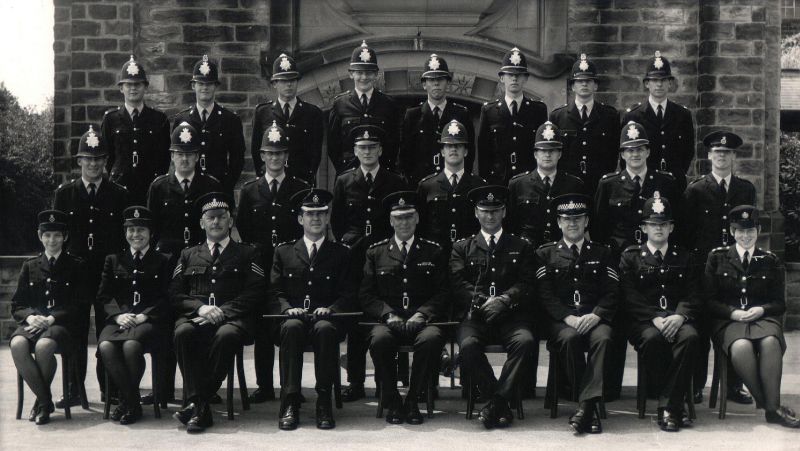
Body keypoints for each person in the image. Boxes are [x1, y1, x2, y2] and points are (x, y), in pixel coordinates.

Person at [170, 192, 266, 434]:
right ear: (202, 223)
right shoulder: (188, 254)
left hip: (233, 320)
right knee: (182, 331)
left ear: (230, 221)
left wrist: (222, 311)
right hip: (197, 317)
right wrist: (200, 308)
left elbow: (255, 292)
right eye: (210, 218)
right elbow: (175, 293)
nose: (216, 222)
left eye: (221, 217)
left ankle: (196, 402)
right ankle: (200, 404)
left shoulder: (248, 253)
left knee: (226, 336)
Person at [704, 205, 799, 429]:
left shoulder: (770, 260)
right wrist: (732, 312)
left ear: (758, 231)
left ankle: (772, 407)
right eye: (740, 231)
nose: (745, 236)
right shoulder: (717, 257)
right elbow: (708, 301)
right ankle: (771, 408)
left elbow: (780, 303)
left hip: (762, 319)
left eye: (750, 231)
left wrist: (762, 310)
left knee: (771, 342)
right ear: (732, 231)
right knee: (741, 348)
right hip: (729, 321)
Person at [146, 121, 221, 405]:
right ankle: (162, 389)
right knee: (165, 325)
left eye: (190, 153)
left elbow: (217, 224)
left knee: (198, 324)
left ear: (198, 155)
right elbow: (151, 228)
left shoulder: (210, 184)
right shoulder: (159, 186)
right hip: (168, 262)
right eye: (179, 153)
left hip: (201, 261)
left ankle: (203, 387)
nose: (185, 158)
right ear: (172, 156)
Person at [53, 125, 129, 407]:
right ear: (79, 161)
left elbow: (124, 237)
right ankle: (74, 389)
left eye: (98, 159)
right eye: (88, 158)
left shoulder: (118, 194)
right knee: (75, 329)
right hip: (76, 274)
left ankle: (110, 388)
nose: (94, 164)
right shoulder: (65, 194)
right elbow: (58, 236)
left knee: (109, 329)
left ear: (105, 161)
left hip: (107, 274)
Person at [450, 185, 537, 429]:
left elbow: (527, 282)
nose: (490, 216)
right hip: (475, 318)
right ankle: (499, 400)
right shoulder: (462, 247)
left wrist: (505, 300)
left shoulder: (521, 246)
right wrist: (482, 302)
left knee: (526, 341)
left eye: (496, 210)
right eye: (485, 211)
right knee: (467, 346)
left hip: (511, 316)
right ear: (476, 213)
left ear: (504, 212)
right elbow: (458, 283)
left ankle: (496, 402)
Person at [269, 188, 356, 430]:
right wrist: (287, 309)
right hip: (293, 320)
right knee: (292, 327)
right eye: (309, 214)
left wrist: (331, 308)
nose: (315, 219)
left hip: (326, 320)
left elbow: (348, 293)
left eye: (321, 214)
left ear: (328, 218)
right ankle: (290, 401)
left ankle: (323, 401)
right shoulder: (284, 251)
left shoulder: (341, 253)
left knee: (325, 329)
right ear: (300, 219)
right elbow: (275, 292)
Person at [331, 124, 407, 401]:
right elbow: (337, 221)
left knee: (393, 311)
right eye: (362, 148)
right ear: (355, 151)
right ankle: (356, 381)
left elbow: (399, 220)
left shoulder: (394, 180)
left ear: (380, 150)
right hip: (354, 257)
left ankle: (399, 378)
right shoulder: (344, 180)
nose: (367, 152)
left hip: (385, 257)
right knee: (355, 321)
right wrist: (349, 245)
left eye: (372, 147)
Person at [361, 191, 449, 425]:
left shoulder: (434, 251)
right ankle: (393, 400)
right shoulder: (376, 252)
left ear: (417, 218)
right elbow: (366, 295)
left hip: (423, 322)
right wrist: (388, 314)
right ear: (391, 221)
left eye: (409, 217)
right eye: (399, 218)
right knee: (379, 341)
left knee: (431, 340)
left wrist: (423, 314)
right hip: (389, 322)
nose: (404, 223)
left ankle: (412, 400)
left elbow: (443, 292)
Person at [682, 131, 756, 405]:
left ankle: (734, 386)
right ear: (709, 156)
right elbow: (687, 235)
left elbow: (749, 231)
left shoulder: (745, 189)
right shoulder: (696, 189)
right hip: (705, 271)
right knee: (699, 329)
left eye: (727, 153)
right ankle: (696, 384)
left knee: (734, 325)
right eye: (717, 152)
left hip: (736, 271)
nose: (722, 157)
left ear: (734, 157)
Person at [535, 193, 619, 434]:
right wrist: (567, 317)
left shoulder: (602, 253)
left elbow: (613, 291)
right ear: (559, 223)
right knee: (570, 339)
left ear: (586, 222)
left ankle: (585, 408)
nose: (572, 223)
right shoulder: (546, 254)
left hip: (594, 318)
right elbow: (545, 295)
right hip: (563, 321)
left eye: (578, 218)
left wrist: (597, 314)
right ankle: (589, 407)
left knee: (603, 338)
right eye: (566, 219)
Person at [237, 121, 309, 403]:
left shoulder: (299, 187)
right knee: (264, 326)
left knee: (291, 326)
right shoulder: (250, 190)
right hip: (261, 266)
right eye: (270, 153)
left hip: (292, 267)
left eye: (280, 153)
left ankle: (292, 386)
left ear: (286, 156)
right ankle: (265, 385)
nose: (275, 158)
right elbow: (243, 225)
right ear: (262, 156)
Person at [619, 194, 700, 431]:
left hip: (677, 318)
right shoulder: (631, 256)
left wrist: (680, 315)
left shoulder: (685, 257)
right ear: (644, 227)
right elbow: (628, 294)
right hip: (645, 322)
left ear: (671, 227)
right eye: (653, 224)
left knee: (690, 337)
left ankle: (668, 407)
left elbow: (694, 292)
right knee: (653, 340)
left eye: (663, 224)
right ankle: (674, 407)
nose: (659, 229)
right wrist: (653, 317)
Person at [9, 210, 86, 425]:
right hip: (34, 323)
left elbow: (78, 304)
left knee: (43, 347)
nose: (52, 240)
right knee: (17, 344)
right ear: (39, 236)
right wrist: (32, 317)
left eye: (57, 235)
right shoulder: (30, 266)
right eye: (47, 235)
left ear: (65, 237)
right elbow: (17, 304)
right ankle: (45, 401)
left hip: (61, 326)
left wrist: (51, 318)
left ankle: (41, 404)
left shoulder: (76, 265)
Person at [96, 206, 171, 425]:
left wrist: (144, 316)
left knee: (131, 345)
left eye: (141, 230)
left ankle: (128, 403)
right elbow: (103, 296)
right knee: (106, 346)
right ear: (125, 233)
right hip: (120, 320)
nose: (135, 235)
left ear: (150, 233)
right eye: (131, 230)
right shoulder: (114, 260)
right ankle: (132, 401)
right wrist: (118, 316)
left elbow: (167, 296)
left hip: (149, 321)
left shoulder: (164, 260)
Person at [592, 121, 680, 258]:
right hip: (619, 256)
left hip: (656, 256)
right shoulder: (608, 184)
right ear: (622, 154)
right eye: (630, 150)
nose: (635, 154)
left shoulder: (665, 182)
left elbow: (676, 222)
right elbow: (598, 228)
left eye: (640, 149)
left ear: (648, 152)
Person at [171, 55, 245, 201]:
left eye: (209, 84)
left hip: (220, 189)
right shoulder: (182, 119)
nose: (205, 87)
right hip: (190, 191)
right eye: (200, 83)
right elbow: (176, 155)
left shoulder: (230, 119)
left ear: (216, 86)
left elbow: (237, 159)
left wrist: (225, 186)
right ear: (193, 86)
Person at [102, 55, 170, 205]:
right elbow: (108, 157)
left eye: (138, 84)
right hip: (120, 188)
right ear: (121, 88)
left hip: (150, 189)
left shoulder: (159, 119)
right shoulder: (110, 119)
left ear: (145, 87)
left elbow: (165, 158)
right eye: (128, 84)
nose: (133, 88)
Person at [622, 51, 695, 190]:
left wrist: (676, 174)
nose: (659, 85)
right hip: (644, 184)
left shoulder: (682, 115)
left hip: (674, 184)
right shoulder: (634, 116)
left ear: (670, 83)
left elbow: (688, 153)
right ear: (647, 84)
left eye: (663, 80)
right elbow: (624, 156)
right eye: (655, 80)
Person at [328, 41, 402, 174]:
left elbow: (394, 142)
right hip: (349, 175)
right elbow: (333, 145)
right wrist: (344, 171)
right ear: (351, 74)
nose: (364, 77)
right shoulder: (340, 104)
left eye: (368, 72)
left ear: (375, 74)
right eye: (359, 72)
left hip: (381, 175)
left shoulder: (388, 104)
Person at [399, 54, 475, 185]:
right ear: (424, 84)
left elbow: (470, 153)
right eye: (431, 80)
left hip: (453, 183)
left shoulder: (461, 114)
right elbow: (405, 157)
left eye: (440, 79)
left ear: (448, 83)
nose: (436, 83)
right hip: (420, 185)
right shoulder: (413, 116)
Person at [507, 120, 585, 248]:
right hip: (528, 251)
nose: (547, 155)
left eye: (552, 150)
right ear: (535, 154)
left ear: (559, 154)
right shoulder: (517, 185)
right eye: (543, 150)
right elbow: (510, 224)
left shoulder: (574, 185)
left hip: (562, 251)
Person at [549, 54, 619, 193]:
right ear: (573, 86)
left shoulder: (609, 116)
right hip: (568, 186)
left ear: (596, 85)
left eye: (589, 80)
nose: (584, 84)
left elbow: (613, 154)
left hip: (599, 186)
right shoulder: (558, 116)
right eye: (580, 81)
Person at [477, 47, 547, 185]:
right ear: (502, 78)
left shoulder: (538, 110)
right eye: (510, 74)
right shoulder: (489, 111)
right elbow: (484, 154)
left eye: (519, 74)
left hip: (529, 183)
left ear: (525, 78)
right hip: (498, 181)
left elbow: (543, 148)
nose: (514, 78)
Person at [251, 53, 323, 185]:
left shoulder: (312, 113)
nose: (288, 85)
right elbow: (256, 150)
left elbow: (315, 153)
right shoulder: (262, 113)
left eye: (292, 80)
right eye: (283, 81)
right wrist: (263, 176)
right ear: (274, 83)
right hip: (272, 181)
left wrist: (308, 179)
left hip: (301, 182)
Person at [417, 119, 486, 254]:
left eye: (458, 145)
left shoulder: (478, 186)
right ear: (442, 151)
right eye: (449, 146)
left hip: (469, 255)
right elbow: (420, 226)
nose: (453, 149)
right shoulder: (427, 186)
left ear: (466, 151)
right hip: (435, 256)